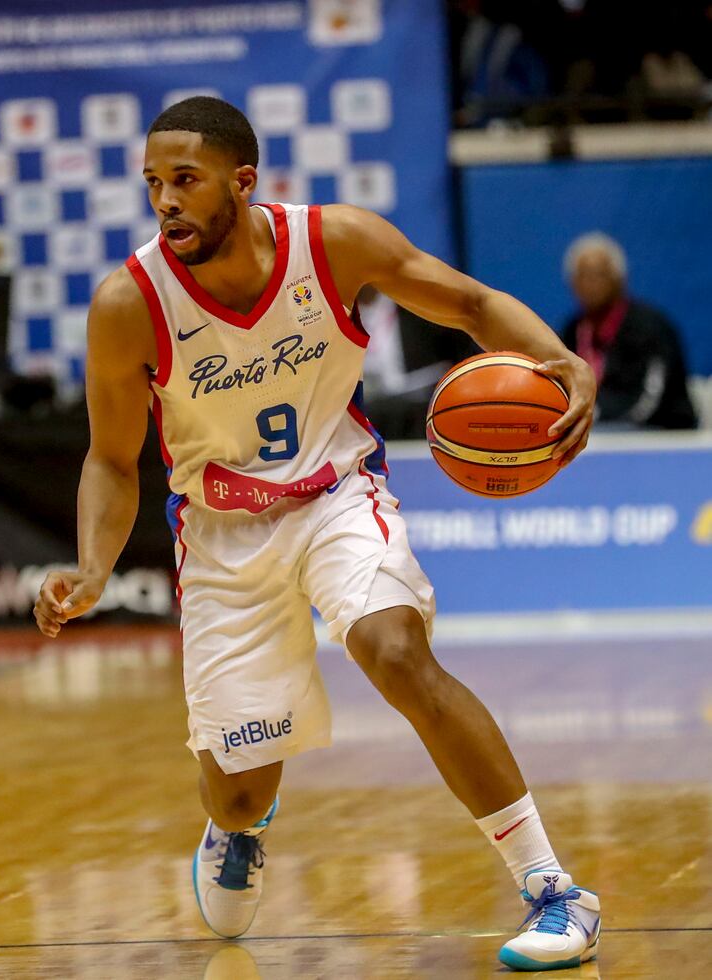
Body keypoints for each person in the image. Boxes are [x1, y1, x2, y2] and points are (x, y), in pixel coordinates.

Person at [34, 96, 602, 972]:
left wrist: (559, 360)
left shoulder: (333, 243)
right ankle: (239, 826)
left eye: (186, 180)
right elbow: (111, 460)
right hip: (221, 535)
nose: (166, 202)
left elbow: (474, 306)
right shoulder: (128, 302)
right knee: (238, 788)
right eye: (154, 185)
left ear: (243, 180)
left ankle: (554, 890)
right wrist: (91, 564)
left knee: (396, 651)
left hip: (338, 492)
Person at [561, 232, 697, 430]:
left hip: (661, 433)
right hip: (598, 433)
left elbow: (651, 400)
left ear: (619, 279)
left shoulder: (650, 328)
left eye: (598, 274)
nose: (589, 283)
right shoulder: (572, 329)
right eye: (582, 275)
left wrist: (595, 414)